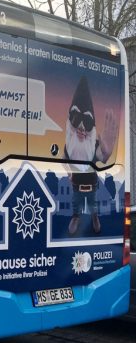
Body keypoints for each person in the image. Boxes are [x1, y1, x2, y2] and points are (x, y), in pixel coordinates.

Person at [64, 76, 117, 235]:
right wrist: (68, 172)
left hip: (92, 185)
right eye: (76, 119)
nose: (81, 128)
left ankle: (94, 217)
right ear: (69, 121)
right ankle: (76, 217)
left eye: (86, 122)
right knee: (76, 202)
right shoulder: (69, 147)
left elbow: (103, 156)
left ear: (92, 127)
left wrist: (107, 154)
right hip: (77, 185)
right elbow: (63, 161)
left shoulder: (94, 146)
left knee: (93, 203)